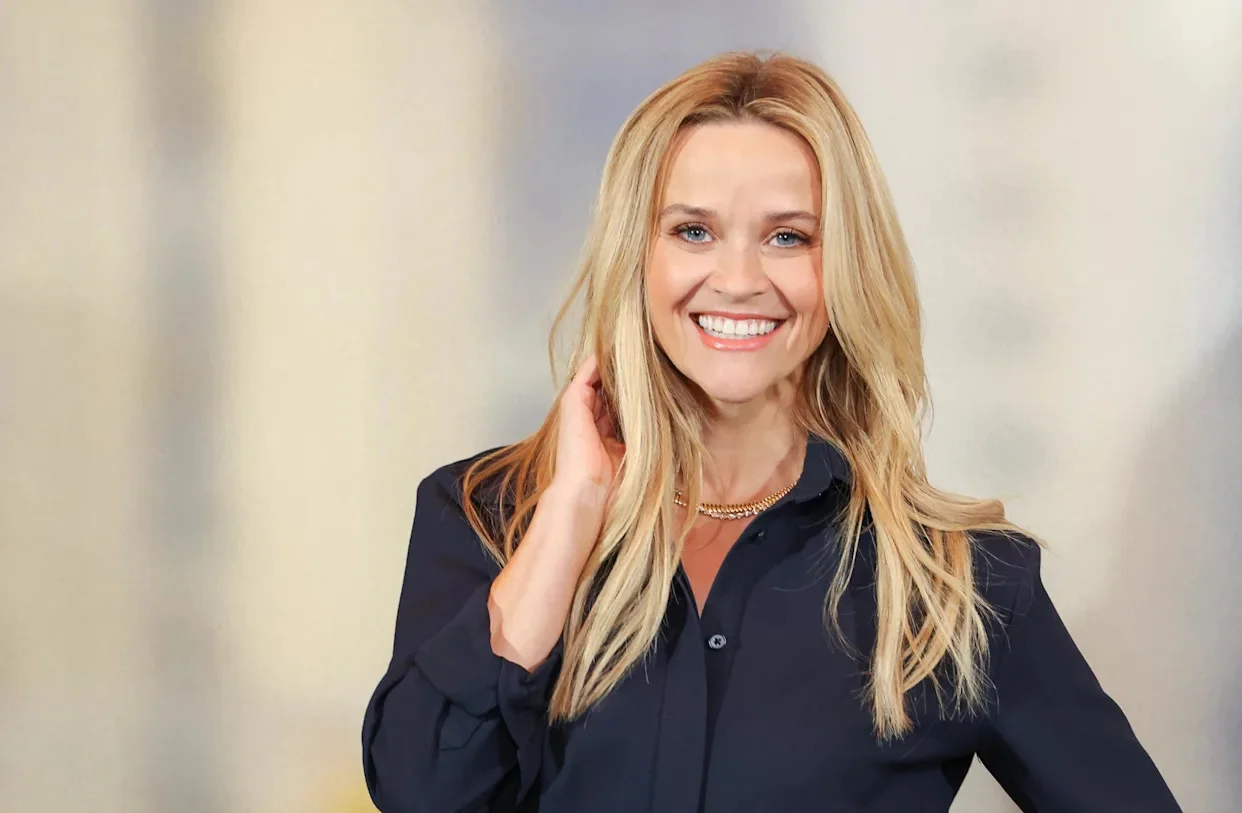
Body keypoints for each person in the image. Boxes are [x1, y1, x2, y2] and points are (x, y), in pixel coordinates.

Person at [361, 52, 1180, 812]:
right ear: (636, 254)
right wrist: (570, 513)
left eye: (789, 236)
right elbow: (419, 791)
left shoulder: (955, 584)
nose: (740, 279)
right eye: (693, 231)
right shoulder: (485, 517)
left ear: (845, 266)